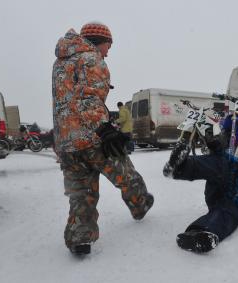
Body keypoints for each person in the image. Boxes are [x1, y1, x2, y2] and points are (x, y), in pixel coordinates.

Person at [52, 22, 154, 255]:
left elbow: (65, 103)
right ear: (100, 41)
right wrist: (104, 129)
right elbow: (87, 99)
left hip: (67, 141)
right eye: (109, 45)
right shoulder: (92, 58)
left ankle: (80, 236)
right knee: (125, 174)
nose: (109, 51)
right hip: (92, 138)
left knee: (80, 192)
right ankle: (141, 204)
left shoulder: (59, 64)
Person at [163, 137, 238, 253]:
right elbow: (227, 158)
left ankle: (200, 236)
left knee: (229, 215)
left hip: (234, 207)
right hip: (218, 194)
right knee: (220, 163)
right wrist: (218, 150)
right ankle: (179, 167)